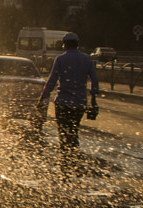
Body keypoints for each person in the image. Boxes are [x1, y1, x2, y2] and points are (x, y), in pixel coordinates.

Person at [37, 32, 100, 169]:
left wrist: (43, 98)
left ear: (64, 45)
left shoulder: (60, 59)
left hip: (62, 103)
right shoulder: (87, 59)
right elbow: (94, 81)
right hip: (79, 104)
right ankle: (74, 161)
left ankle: (65, 163)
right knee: (73, 131)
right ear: (77, 44)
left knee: (63, 133)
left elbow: (52, 80)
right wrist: (93, 101)